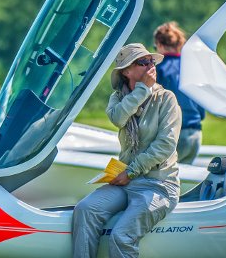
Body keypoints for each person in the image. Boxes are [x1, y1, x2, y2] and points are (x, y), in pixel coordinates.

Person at [72, 43, 181, 258]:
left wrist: (130, 171)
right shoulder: (118, 99)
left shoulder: (167, 99)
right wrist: (143, 89)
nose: (151, 66)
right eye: (143, 62)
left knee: (121, 236)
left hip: (158, 185)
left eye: (152, 61)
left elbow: (165, 146)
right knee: (85, 210)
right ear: (127, 71)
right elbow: (118, 118)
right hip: (128, 181)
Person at [153, 22, 205, 164]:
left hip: (174, 134)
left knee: (159, 181)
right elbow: (202, 108)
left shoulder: (159, 69)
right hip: (195, 135)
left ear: (159, 44)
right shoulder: (192, 67)